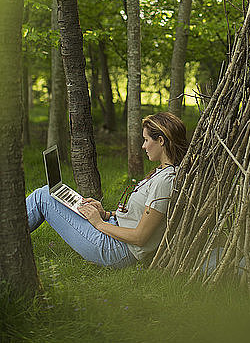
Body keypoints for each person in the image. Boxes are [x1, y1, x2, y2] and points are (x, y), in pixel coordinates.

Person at [26, 112, 188, 269]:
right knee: (49, 192)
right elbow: (136, 216)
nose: (143, 145)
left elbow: (140, 238)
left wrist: (98, 223)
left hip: (116, 249)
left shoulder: (165, 181)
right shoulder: (164, 172)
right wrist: (105, 214)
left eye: (146, 140)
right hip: (113, 229)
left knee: (43, 197)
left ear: (160, 141)